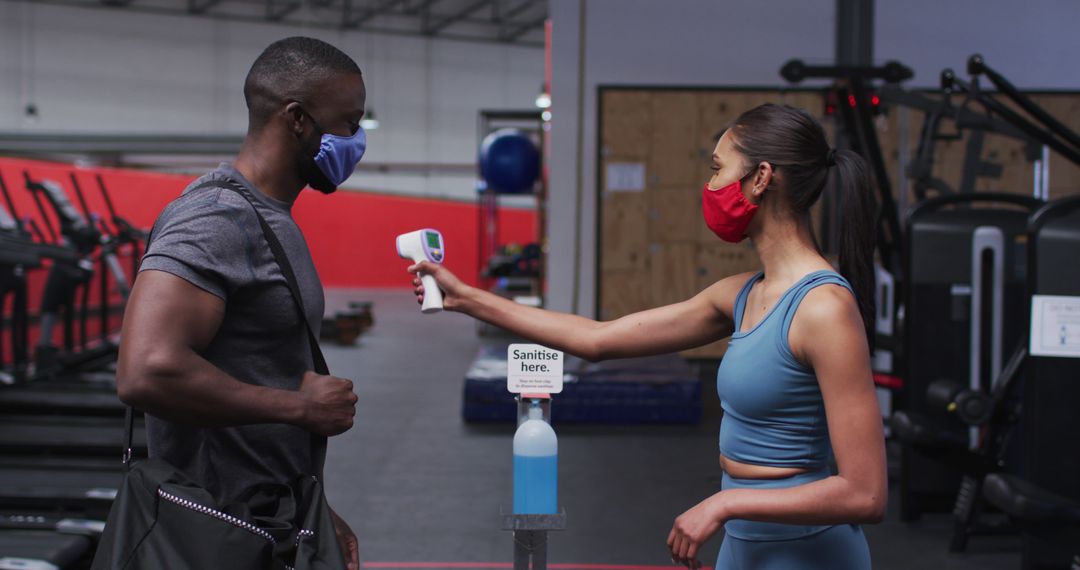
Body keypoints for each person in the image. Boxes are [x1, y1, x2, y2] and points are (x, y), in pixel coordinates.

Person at [407, 104, 887, 570]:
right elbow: (599, 340)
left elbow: (864, 493)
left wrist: (724, 504)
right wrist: (466, 298)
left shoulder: (823, 308)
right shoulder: (740, 295)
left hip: (805, 550)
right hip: (744, 542)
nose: (711, 185)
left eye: (719, 169)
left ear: (760, 178)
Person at [116, 37, 365, 568]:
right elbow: (145, 372)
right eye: (349, 123)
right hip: (214, 530)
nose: (356, 141)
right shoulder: (216, 218)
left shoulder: (269, 217)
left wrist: (313, 508)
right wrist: (300, 407)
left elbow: (263, 367)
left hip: (269, 519)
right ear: (297, 118)